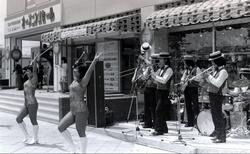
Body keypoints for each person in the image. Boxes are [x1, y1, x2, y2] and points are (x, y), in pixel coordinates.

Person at [58, 52, 102, 153]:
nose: (74, 72)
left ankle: (83, 152)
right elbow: (74, 68)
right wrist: (75, 64)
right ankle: (73, 148)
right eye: (74, 70)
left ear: (80, 73)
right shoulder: (74, 81)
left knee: (81, 132)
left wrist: (95, 60)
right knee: (61, 127)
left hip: (81, 110)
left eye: (76, 71)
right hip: (72, 110)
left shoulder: (83, 82)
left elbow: (89, 72)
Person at [203, 51, 228, 143]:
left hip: (218, 95)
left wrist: (208, 76)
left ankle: (222, 137)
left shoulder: (223, 71)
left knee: (218, 116)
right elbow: (212, 82)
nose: (212, 64)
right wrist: (205, 78)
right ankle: (218, 134)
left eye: (213, 62)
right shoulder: (216, 71)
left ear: (217, 61)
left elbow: (217, 83)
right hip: (213, 94)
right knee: (214, 116)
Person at [16, 58, 39, 144]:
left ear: (32, 73)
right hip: (26, 104)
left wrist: (35, 62)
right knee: (18, 119)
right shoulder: (26, 81)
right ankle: (26, 135)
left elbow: (35, 71)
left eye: (29, 71)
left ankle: (35, 139)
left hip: (33, 103)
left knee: (33, 121)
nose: (27, 72)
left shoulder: (34, 80)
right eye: (27, 71)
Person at [150, 52, 173, 135]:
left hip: (164, 92)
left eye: (160, 60)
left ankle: (159, 130)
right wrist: (152, 74)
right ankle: (164, 129)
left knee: (158, 111)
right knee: (161, 111)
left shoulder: (169, 70)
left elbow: (164, 80)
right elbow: (157, 81)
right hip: (158, 92)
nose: (158, 61)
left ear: (165, 60)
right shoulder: (160, 69)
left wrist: (154, 76)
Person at [180, 55, 202, 127]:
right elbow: (182, 78)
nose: (184, 64)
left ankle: (197, 122)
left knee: (195, 106)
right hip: (187, 88)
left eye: (185, 62)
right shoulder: (186, 70)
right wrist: (183, 80)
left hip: (194, 88)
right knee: (188, 105)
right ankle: (190, 122)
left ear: (188, 62)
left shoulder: (197, 69)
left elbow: (199, 78)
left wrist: (192, 77)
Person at [141, 53, 159, 128]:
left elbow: (156, 78)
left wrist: (151, 71)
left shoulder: (158, 68)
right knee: (146, 106)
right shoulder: (149, 68)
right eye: (150, 60)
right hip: (147, 88)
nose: (151, 62)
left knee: (153, 106)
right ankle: (147, 123)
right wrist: (144, 69)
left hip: (154, 89)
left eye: (152, 61)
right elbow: (144, 77)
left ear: (155, 61)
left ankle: (155, 123)